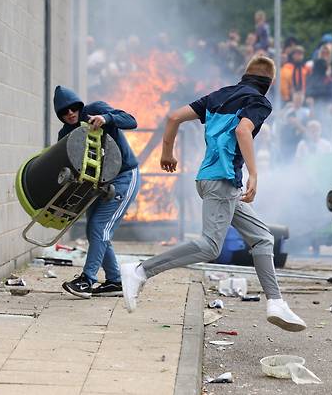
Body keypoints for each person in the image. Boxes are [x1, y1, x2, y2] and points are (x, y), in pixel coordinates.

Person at [120, 56, 307, 332]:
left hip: (213, 182)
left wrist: (167, 153)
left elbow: (173, 117)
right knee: (210, 246)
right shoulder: (259, 101)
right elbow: (244, 130)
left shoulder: (219, 95)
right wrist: (254, 173)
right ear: (269, 83)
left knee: (263, 238)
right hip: (222, 182)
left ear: (245, 75)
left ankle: (276, 302)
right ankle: (140, 270)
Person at [54, 86, 140, 298]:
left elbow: (131, 121)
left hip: (123, 177)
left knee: (100, 227)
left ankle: (87, 280)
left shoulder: (96, 110)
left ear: (79, 106)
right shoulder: (65, 134)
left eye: (73, 108)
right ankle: (115, 281)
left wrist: (106, 118)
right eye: (65, 112)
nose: (71, 114)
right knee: (95, 231)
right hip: (96, 187)